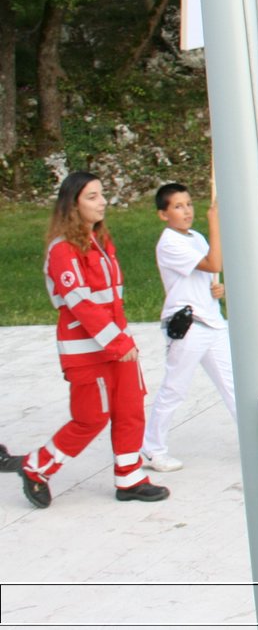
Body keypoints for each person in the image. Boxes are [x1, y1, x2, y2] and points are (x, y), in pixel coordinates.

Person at [0, 172, 169, 506]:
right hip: (88, 352)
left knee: (130, 409)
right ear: (73, 204)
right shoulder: (62, 250)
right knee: (91, 417)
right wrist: (118, 343)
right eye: (92, 196)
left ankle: (129, 477)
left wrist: (124, 342)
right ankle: (37, 468)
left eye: (102, 194)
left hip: (118, 347)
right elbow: (81, 304)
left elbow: (112, 302)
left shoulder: (100, 243)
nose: (102, 201)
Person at [141, 182, 237, 472]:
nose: (186, 211)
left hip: (212, 322)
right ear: (163, 214)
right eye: (178, 206)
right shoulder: (169, 243)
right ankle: (152, 449)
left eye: (189, 204)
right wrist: (215, 223)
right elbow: (213, 261)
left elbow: (210, 272)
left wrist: (215, 289)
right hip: (188, 326)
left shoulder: (195, 236)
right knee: (175, 389)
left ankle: (257, 441)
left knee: (233, 385)